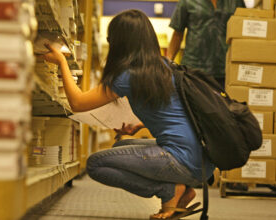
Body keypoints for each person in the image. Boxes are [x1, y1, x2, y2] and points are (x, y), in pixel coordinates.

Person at [43, 9, 215, 220]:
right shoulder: (164, 66)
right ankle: (181, 187)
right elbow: (176, 113)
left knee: (96, 164)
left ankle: (168, 190)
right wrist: (140, 126)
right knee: (120, 147)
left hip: (181, 160)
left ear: (119, 43)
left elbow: (78, 103)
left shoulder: (128, 76)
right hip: (202, 159)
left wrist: (61, 61)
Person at [167, 0, 246, 88]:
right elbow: (177, 34)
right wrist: (168, 63)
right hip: (193, 70)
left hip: (225, 71)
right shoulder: (187, 1)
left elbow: (244, 33)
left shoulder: (235, 2)